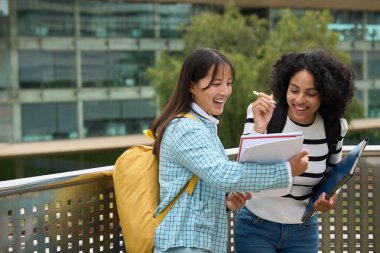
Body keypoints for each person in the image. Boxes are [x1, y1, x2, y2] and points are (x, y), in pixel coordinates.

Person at [150, 48, 309, 253]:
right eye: (216, 84)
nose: (225, 91)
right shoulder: (185, 128)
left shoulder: (203, 124)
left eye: (228, 83)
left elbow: (205, 184)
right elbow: (222, 175)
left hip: (194, 243)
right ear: (192, 86)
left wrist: (224, 202)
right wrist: (285, 171)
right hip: (184, 244)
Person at [235, 48, 356, 253]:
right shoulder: (263, 113)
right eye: (294, 90)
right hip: (255, 227)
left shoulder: (334, 127)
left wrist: (329, 199)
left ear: (325, 95)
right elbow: (243, 171)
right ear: (285, 87)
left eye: (310, 94)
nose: (300, 100)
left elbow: (333, 176)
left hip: (303, 230)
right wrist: (259, 128)